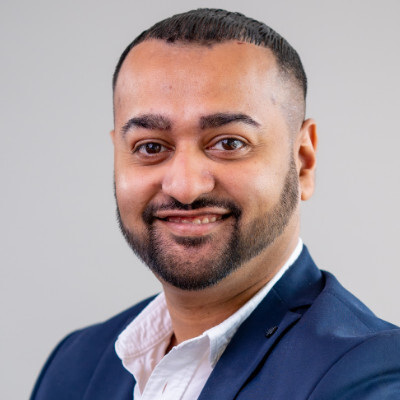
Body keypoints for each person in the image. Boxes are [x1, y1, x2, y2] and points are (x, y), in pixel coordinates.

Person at [30, 8, 400, 399]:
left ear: (303, 161)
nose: (185, 187)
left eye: (229, 143)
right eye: (151, 147)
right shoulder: (75, 365)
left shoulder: (373, 376)